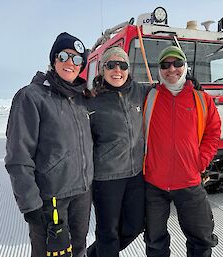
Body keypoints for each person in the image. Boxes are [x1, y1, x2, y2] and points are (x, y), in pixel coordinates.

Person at [5, 32, 93, 257]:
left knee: (79, 250)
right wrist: (30, 205)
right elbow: (18, 156)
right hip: (51, 200)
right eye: (64, 55)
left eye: (76, 59)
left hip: (81, 195)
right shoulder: (31, 97)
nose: (69, 63)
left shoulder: (80, 98)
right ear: (54, 59)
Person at [143, 45, 221, 257]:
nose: (172, 69)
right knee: (154, 240)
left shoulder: (201, 100)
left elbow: (213, 132)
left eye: (177, 63)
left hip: (189, 181)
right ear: (159, 69)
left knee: (201, 239)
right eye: (165, 65)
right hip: (154, 183)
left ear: (185, 67)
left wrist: (200, 160)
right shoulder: (148, 98)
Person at [86, 47, 149, 257]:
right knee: (107, 233)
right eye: (111, 65)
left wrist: (188, 83)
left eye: (122, 65)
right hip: (106, 178)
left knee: (135, 225)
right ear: (102, 69)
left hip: (135, 175)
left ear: (128, 69)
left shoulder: (140, 92)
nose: (117, 70)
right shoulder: (90, 99)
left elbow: (167, 88)